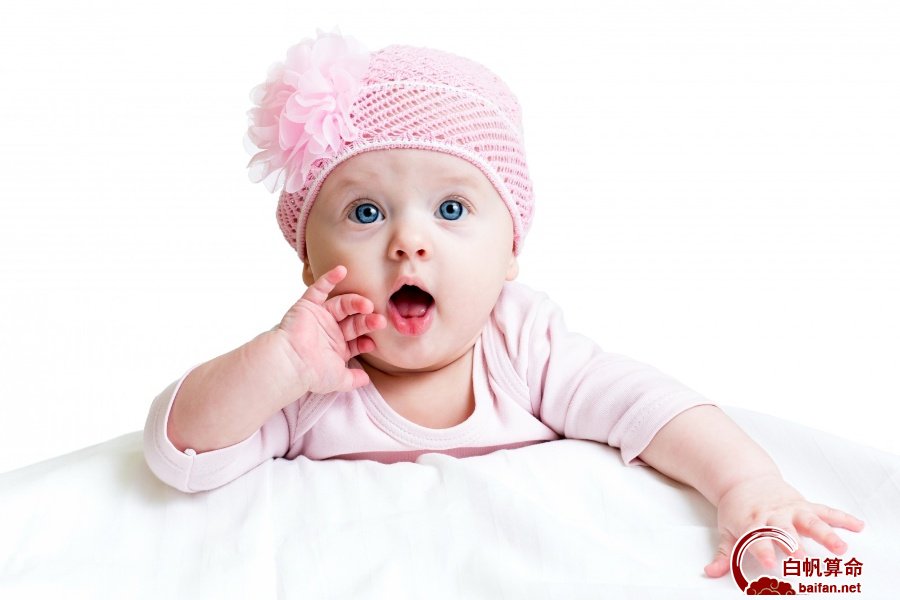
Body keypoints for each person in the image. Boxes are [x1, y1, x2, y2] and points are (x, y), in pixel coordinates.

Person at [142, 29, 864, 578]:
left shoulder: (521, 345)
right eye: (365, 213)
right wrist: (276, 364)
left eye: (451, 209)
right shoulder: (311, 376)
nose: (408, 242)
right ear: (308, 259)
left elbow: (648, 405)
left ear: (511, 251)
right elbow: (182, 453)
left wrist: (746, 483)